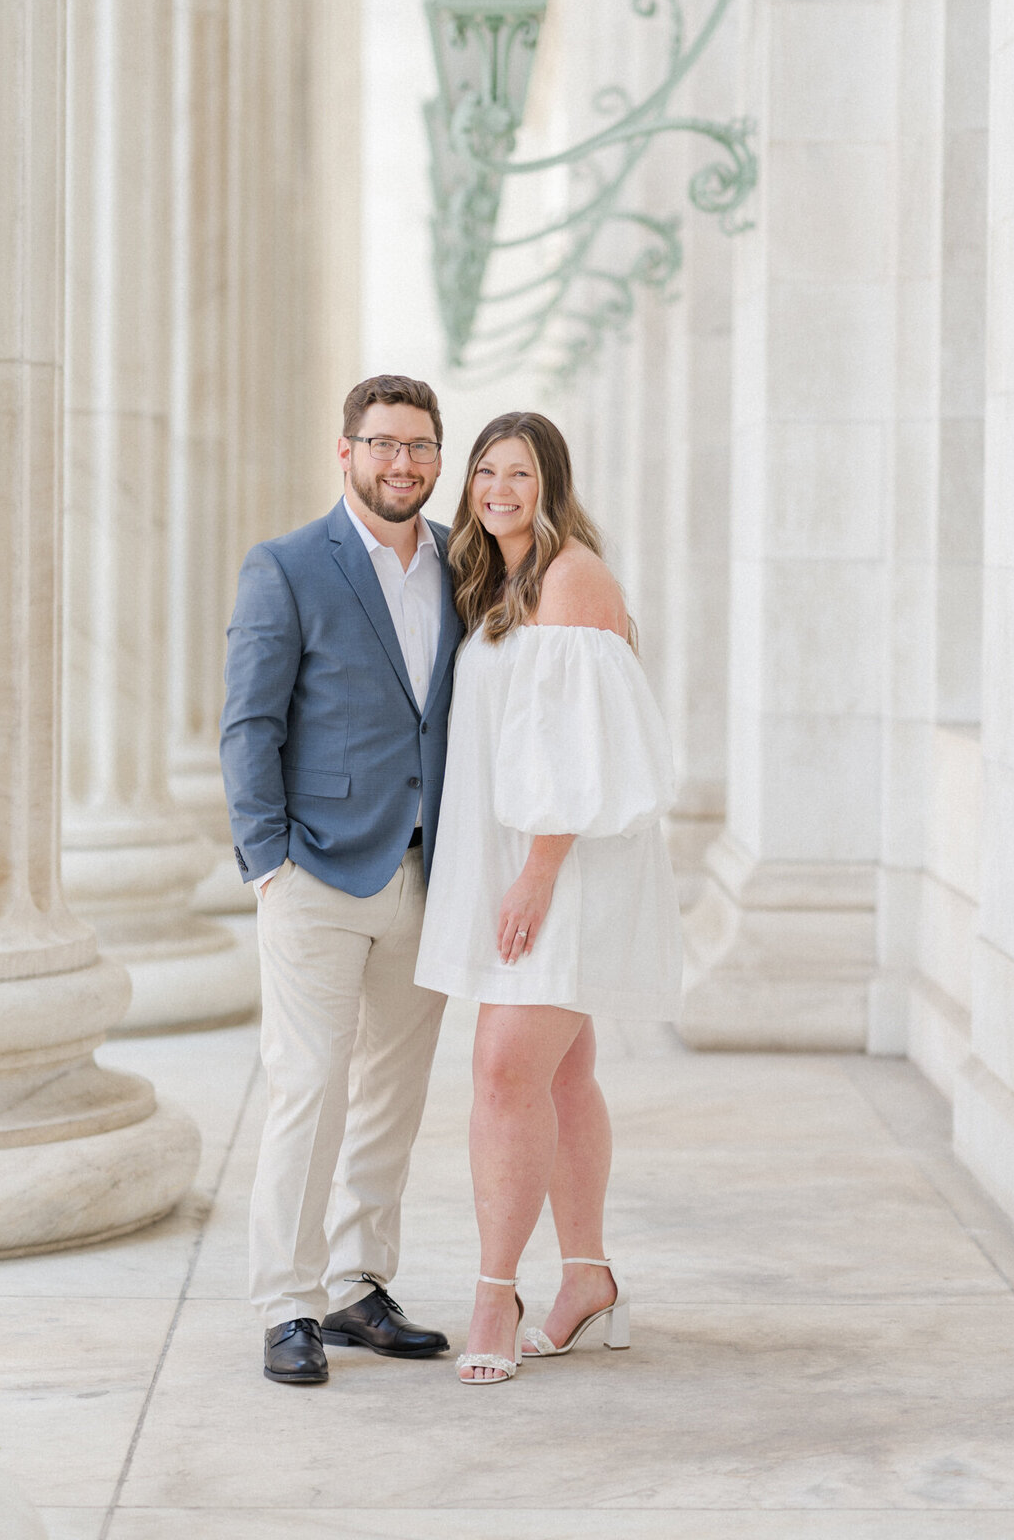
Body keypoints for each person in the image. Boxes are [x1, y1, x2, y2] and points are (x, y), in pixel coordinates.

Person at [414, 410, 681, 1384]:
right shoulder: (489, 581)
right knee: (562, 1076)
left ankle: (495, 1293)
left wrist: (536, 870)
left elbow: (581, 752)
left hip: (563, 863)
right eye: (484, 472)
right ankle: (587, 1279)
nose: (497, 490)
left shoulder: (573, 578)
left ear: (551, 483)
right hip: (521, 860)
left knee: (503, 1071)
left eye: (518, 473)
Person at [220, 374, 462, 1387]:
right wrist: (267, 859)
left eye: (418, 446)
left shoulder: (465, 562)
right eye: (382, 444)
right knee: (308, 1084)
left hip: (431, 868)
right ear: (346, 451)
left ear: (437, 457)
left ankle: (362, 1286)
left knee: (392, 1093)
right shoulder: (286, 567)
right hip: (316, 868)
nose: (401, 463)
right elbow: (249, 722)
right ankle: (287, 1301)